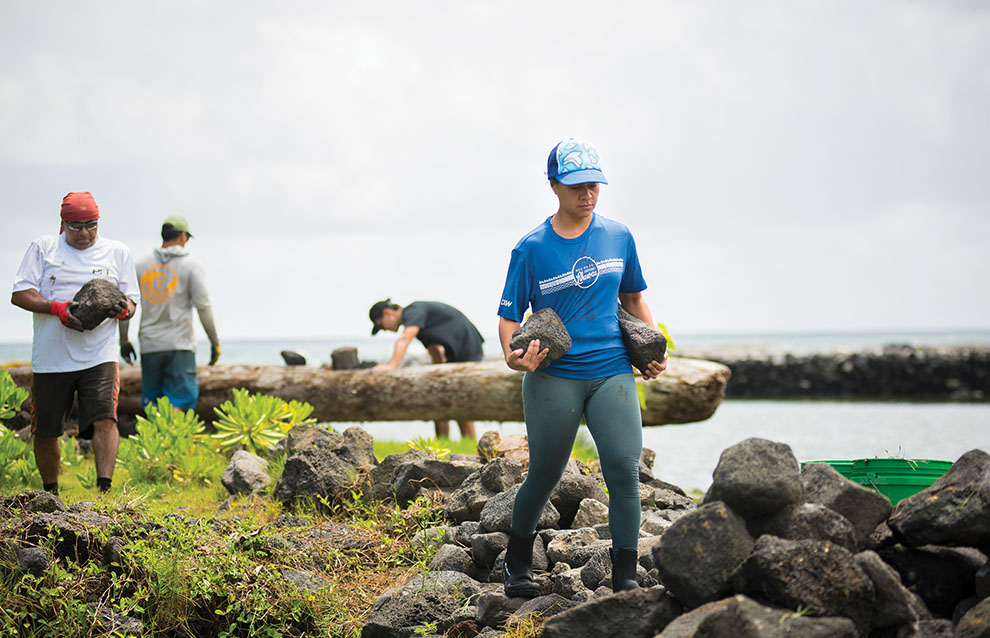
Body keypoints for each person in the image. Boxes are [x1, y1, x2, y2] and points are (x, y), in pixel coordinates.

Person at [496, 139, 667, 596]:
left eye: (594, 184)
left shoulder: (619, 236)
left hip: (612, 370)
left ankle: (625, 576)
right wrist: (515, 358)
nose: (587, 194)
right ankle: (517, 566)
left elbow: (632, 298)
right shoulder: (531, 248)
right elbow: (509, 317)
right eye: (576, 186)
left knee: (623, 469)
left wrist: (652, 348)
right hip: (555, 376)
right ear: (553, 185)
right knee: (546, 474)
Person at [11, 192, 139, 494]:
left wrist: (124, 310)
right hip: (52, 357)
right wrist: (56, 308)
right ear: (63, 224)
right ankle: (50, 493)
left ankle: (104, 491)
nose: (84, 233)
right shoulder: (43, 248)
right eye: (76, 226)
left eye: (91, 225)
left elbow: (132, 300)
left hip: (100, 355)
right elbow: (20, 294)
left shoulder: (117, 252)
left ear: (99, 222)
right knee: (46, 429)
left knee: (106, 419)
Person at [121, 215, 220, 410]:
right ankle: (172, 440)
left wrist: (124, 340)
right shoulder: (192, 265)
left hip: (150, 345)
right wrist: (214, 341)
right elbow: (203, 307)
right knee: (181, 400)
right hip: (179, 344)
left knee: (153, 402)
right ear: (183, 236)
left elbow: (125, 304)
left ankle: (155, 439)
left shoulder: (141, 264)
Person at [369, 299, 484, 439]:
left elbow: (405, 338)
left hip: (468, 350)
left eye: (381, 325)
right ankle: (443, 442)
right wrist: (437, 373)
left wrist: (391, 366)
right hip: (455, 353)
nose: (384, 329)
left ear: (387, 313)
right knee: (440, 398)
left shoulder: (413, 311)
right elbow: (434, 349)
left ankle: (470, 443)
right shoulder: (419, 323)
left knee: (460, 400)